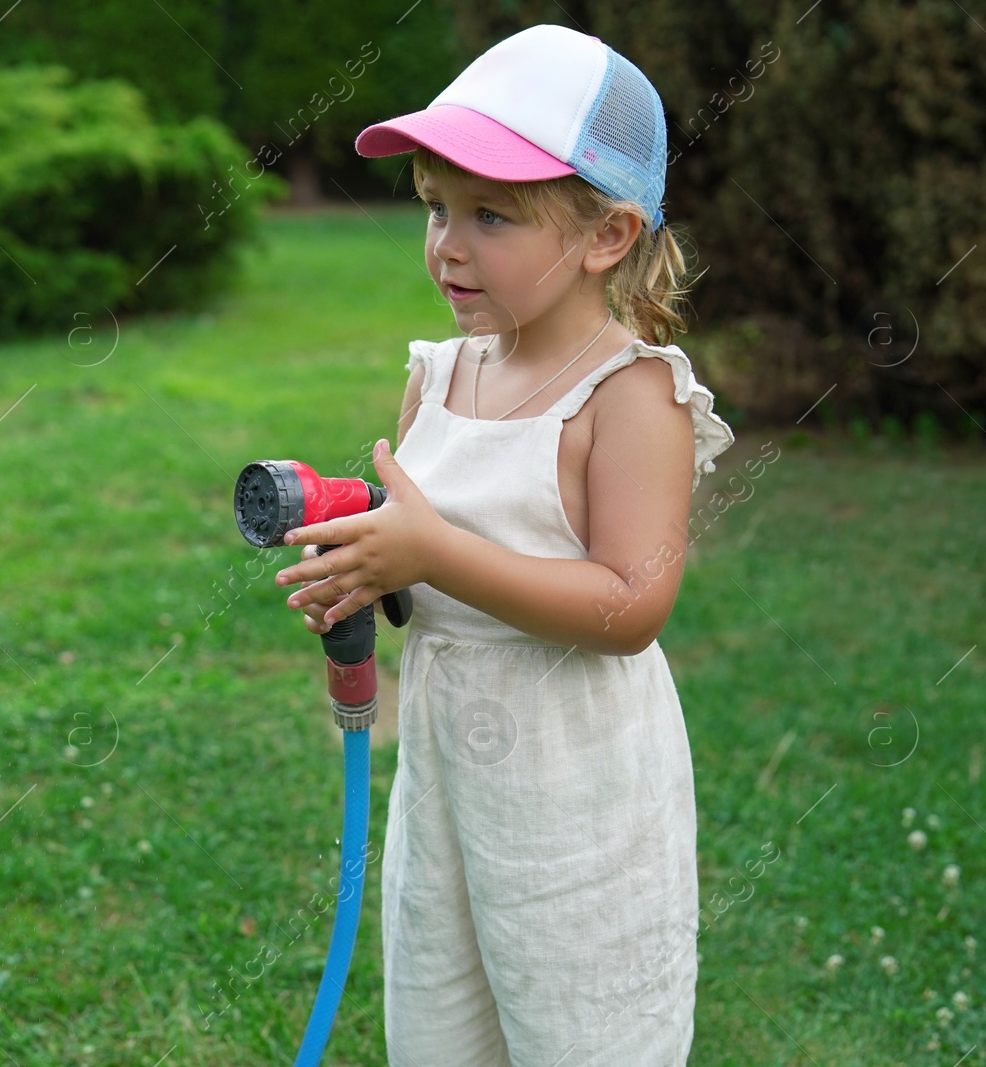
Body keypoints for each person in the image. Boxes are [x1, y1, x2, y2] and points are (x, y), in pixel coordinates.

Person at [270, 24, 736, 1067]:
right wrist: (369, 570)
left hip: (578, 799)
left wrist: (429, 553)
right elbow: (424, 549)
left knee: (580, 1019)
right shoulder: (438, 375)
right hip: (449, 779)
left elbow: (630, 606)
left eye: (491, 214)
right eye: (435, 208)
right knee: (445, 1012)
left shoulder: (629, 397)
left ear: (607, 234)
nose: (447, 243)